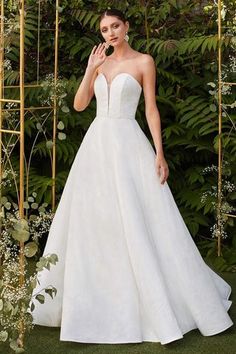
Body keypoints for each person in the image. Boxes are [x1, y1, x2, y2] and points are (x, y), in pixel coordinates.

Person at [32, 8, 233, 345]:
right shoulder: (100, 63)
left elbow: (151, 109)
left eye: (115, 27)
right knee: (96, 222)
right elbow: (81, 105)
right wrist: (89, 70)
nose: (110, 33)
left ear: (126, 27)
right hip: (97, 146)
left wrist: (159, 152)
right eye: (104, 29)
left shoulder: (144, 62)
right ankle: (99, 299)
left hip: (129, 144)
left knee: (138, 219)